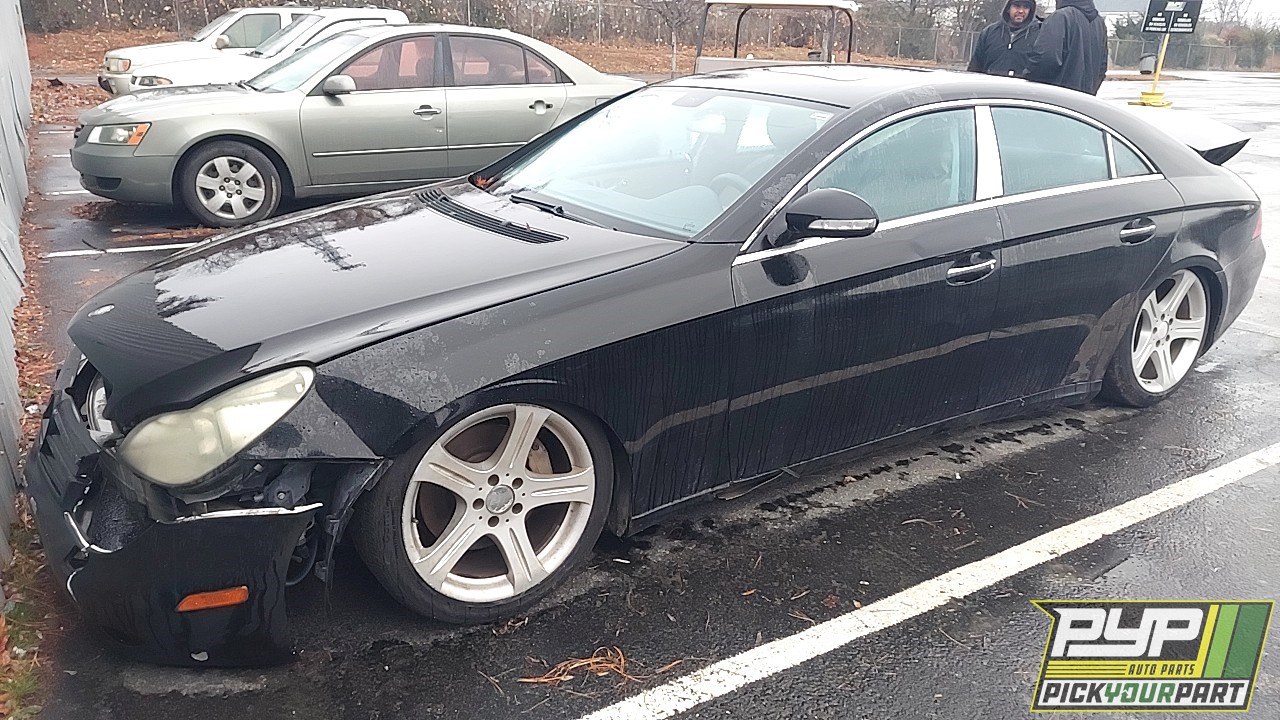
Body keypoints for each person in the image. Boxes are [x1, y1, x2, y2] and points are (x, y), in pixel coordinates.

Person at [1024, 0, 1109, 95]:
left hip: (1057, 96)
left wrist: (1026, 77)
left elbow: (1046, 58)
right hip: (1085, 99)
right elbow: (1102, 67)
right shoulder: (1099, 23)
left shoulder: (1060, 17)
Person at [968, 0, 1042, 78]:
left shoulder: (1039, 35)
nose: (1021, 11)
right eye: (1017, 6)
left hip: (1023, 85)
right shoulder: (989, 32)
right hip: (990, 84)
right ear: (1008, 9)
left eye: (1026, 7)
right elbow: (975, 66)